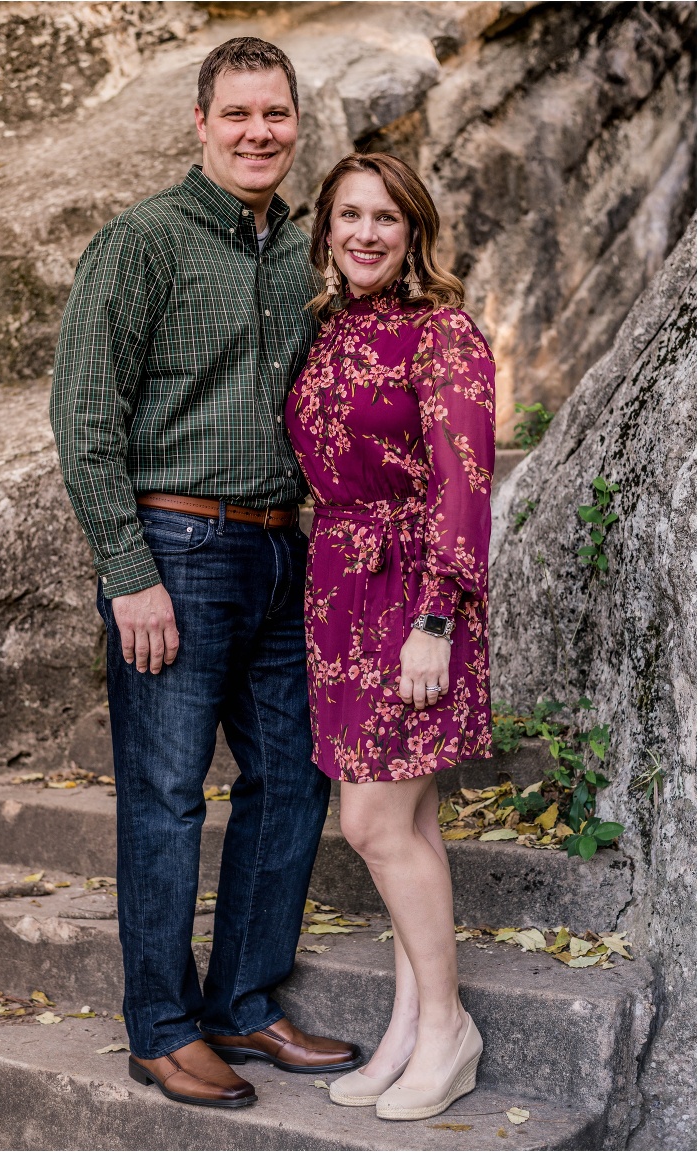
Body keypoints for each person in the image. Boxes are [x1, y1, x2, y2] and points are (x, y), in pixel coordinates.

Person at [50, 37, 360, 1110]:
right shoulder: (139, 244)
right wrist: (127, 571)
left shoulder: (300, 250)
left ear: (295, 124)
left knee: (295, 777)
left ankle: (244, 1003)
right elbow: (85, 421)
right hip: (175, 553)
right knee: (167, 795)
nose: (258, 132)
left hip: (284, 552)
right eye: (238, 115)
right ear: (200, 122)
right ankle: (160, 1027)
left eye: (275, 114)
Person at [285, 152, 496, 1122]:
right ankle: (413, 1027)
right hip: (338, 591)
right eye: (349, 216)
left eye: (386, 219)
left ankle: (447, 1026)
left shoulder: (442, 334)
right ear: (325, 228)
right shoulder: (329, 329)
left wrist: (437, 621)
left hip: (413, 588)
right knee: (406, 822)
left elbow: (463, 482)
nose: (366, 234)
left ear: (415, 233)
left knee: (370, 823)